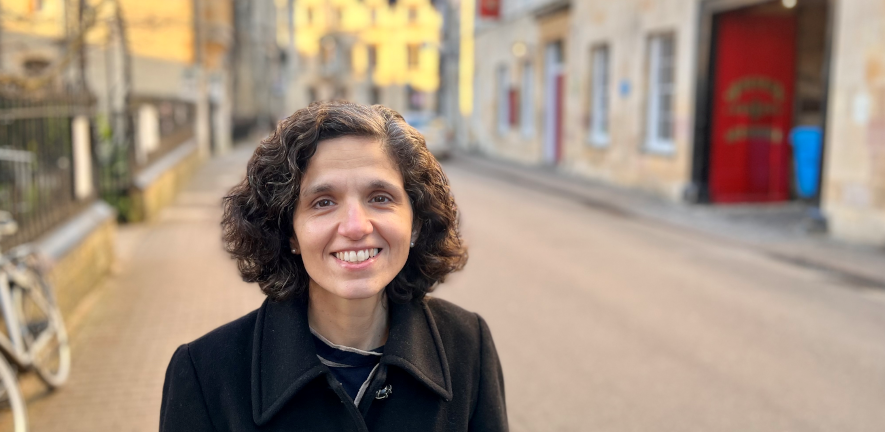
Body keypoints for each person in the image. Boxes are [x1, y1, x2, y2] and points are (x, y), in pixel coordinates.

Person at [159, 100, 508, 431]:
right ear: (289, 231)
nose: (356, 226)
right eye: (323, 202)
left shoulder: (468, 345)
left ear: (415, 223)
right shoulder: (204, 373)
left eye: (380, 198)